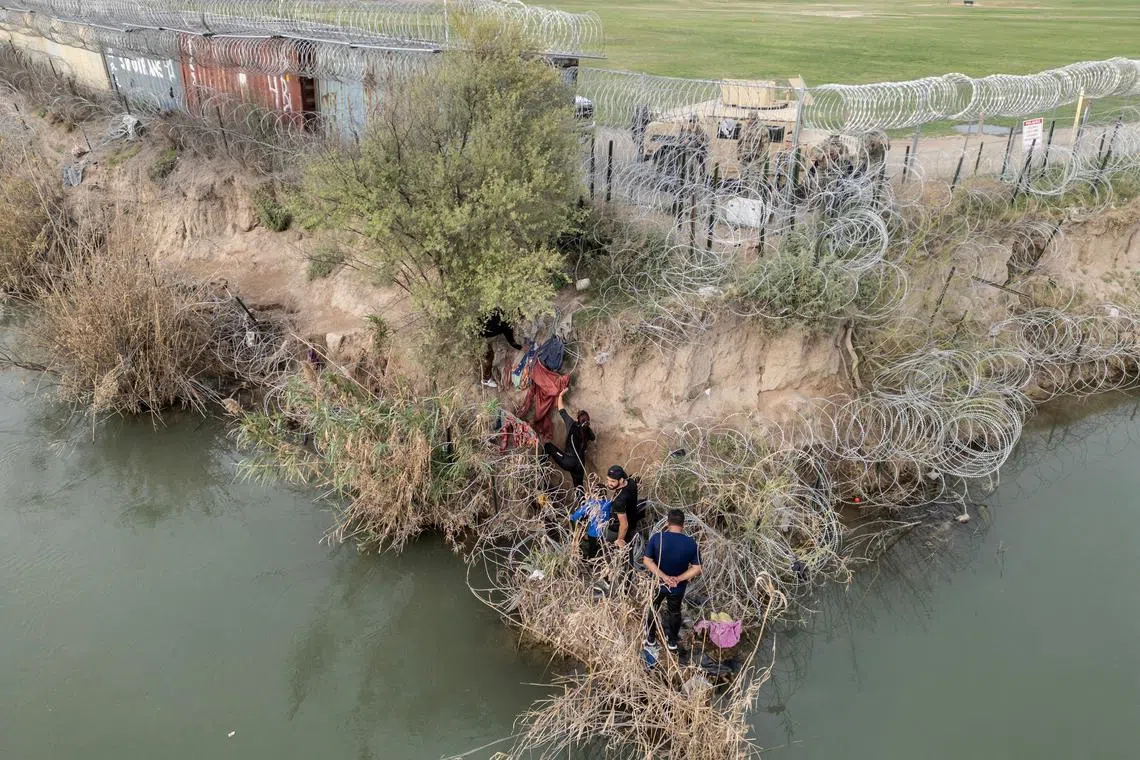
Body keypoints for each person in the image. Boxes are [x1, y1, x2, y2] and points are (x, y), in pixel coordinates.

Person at [642, 509, 702, 652]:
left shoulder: (658, 538)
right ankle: (672, 642)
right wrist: (678, 578)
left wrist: (663, 576)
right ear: (683, 524)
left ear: (668, 522)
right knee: (674, 612)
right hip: (677, 586)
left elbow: (647, 560)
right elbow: (697, 568)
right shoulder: (691, 543)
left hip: (657, 583)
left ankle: (650, 639)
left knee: (653, 607)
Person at [543, 389, 594, 490]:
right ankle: (583, 504)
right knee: (579, 488)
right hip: (580, 466)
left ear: (578, 419)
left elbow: (561, 410)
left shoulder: (571, 424)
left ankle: (539, 468)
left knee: (548, 446)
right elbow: (593, 438)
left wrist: (561, 395)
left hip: (568, 461)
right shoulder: (588, 431)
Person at [481, 310, 522, 388]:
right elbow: (511, 341)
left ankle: (486, 377)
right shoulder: (507, 325)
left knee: (489, 355)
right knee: (489, 356)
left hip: (481, 328)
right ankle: (486, 379)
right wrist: (521, 347)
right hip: (483, 334)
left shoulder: (501, 312)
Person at [605, 465, 639, 550]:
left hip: (616, 528)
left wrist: (620, 539)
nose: (609, 483)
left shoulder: (619, 501)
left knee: (606, 540)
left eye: (612, 481)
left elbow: (624, 525)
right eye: (608, 480)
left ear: (621, 480)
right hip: (633, 520)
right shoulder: (631, 482)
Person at [569, 496, 611, 560]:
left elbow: (577, 515)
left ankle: (590, 562)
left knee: (591, 549)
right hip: (608, 532)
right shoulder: (609, 503)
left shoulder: (592, 503)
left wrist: (571, 517)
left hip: (594, 532)